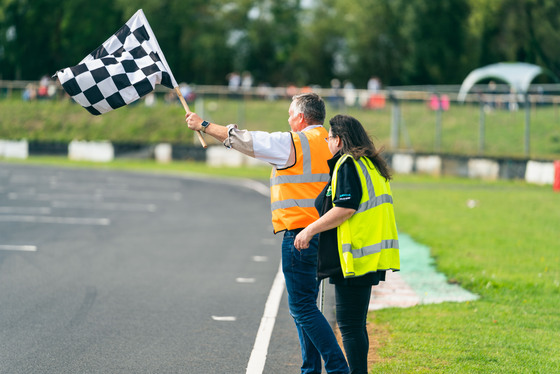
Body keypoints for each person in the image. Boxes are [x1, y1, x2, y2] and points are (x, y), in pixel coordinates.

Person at [185, 93, 349, 374]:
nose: (287, 119)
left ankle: (337, 368)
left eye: (289, 114)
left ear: (300, 117)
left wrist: (204, 125)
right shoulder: (331, 143)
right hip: (326, 233)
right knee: (307, 307)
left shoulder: (294, 142)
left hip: (300, 235)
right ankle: (311, 369)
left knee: (301, 309)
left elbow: (246, 141)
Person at [294, 114, 400, 374]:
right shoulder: (370, 164)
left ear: (339, 140)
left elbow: (345, 208)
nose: (327, 141)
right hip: (368, 254)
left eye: (329, 137)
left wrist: (309, 230)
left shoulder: (347, 164)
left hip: (355, 255)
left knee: (350, 327)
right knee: (355, 325)